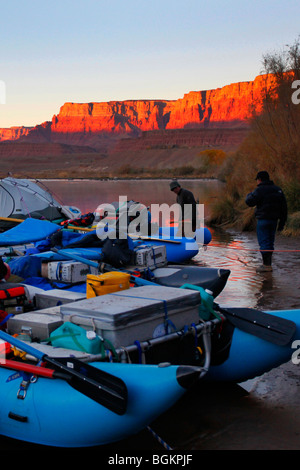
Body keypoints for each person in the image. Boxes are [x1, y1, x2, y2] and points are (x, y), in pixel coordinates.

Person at [245, 171, 287, 272]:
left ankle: (266, 265)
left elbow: (249, 202)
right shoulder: (278, 190)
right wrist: (282, 223)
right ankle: (268, 264)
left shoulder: (259, 190)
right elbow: (284, 208)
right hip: (274, 220)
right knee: (270, 242)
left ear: (259, 179)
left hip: (263, 220)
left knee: (264, 241)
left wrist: (249, 194)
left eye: (257, 180)